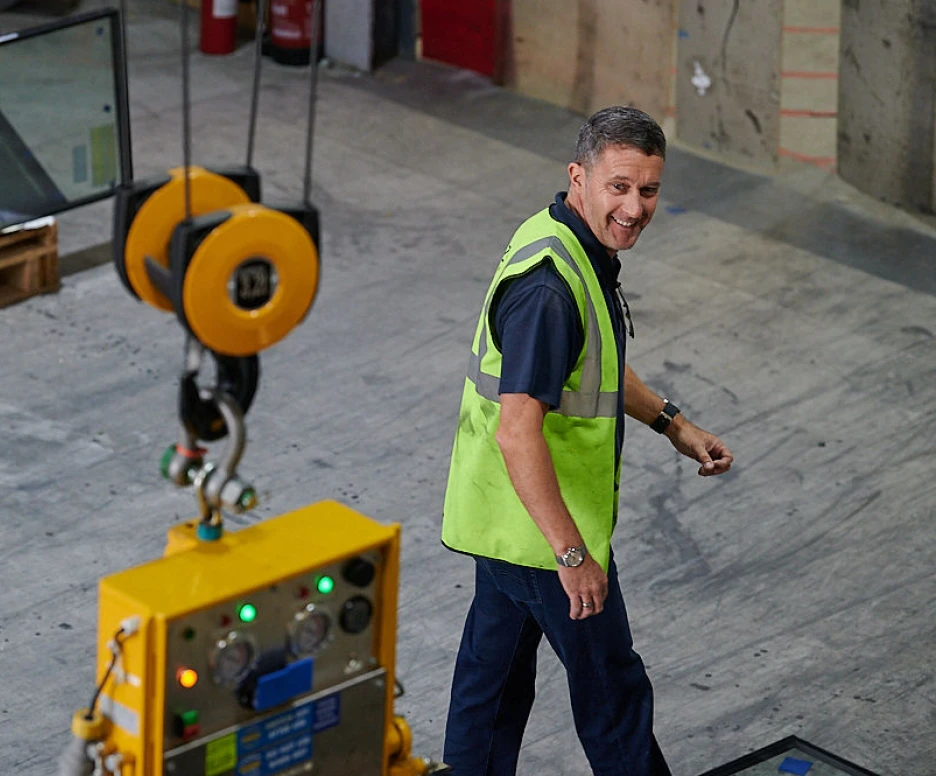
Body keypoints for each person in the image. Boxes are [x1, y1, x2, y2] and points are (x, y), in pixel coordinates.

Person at [439, 106, 734, 776]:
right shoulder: (549, 289)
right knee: (612, 696)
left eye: (649, 190)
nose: (634, 208)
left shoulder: (562, 239)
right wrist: (573, 556)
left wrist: (674, 425)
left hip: (504, 523)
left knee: (490, 691)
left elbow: (591, 366)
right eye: (619, 187)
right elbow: (519, 433)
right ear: (579, 177)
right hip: (548, 532)